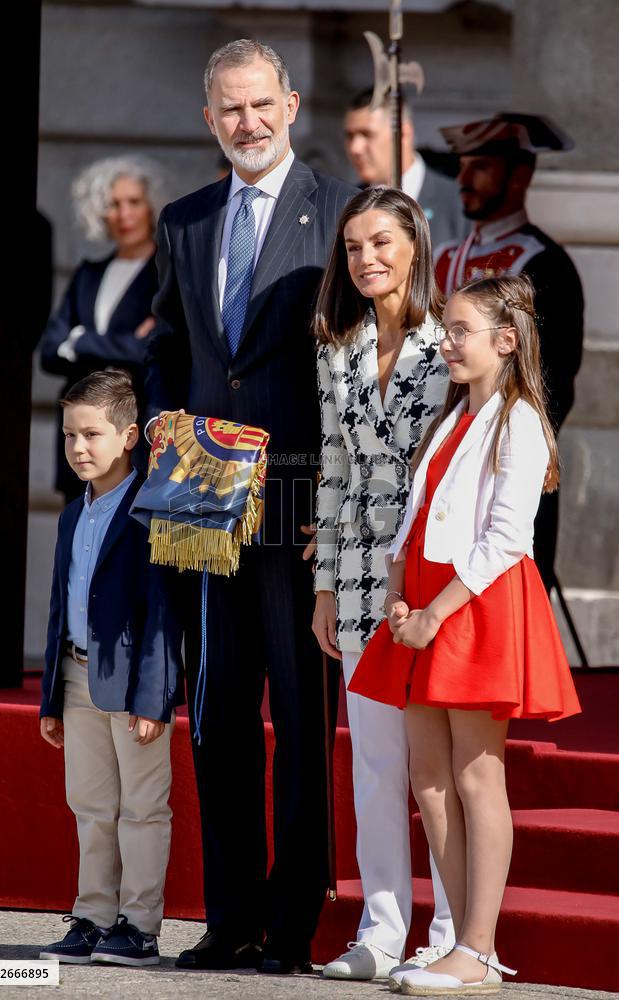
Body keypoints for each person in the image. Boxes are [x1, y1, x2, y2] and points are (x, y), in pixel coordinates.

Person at [143, 39, 357, 974]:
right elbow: (167, 345)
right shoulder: (184, 219)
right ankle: (227, 917)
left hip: (300, 502)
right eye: (230, 109)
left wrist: (347, 508)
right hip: (199, 497)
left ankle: (292, 924)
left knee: (302, 721)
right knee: (219, 713)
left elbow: (362, 366)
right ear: (209, 119)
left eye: (262, 104)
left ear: (292, 104)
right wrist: (156, 419)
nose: (248, 122)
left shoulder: (342, 214)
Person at [349, 274, 581, 995]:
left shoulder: (517, 420)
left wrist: (431, 613)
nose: (444, 343)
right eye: (444, 330)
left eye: (458, 332)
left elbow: (507, 538)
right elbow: (417, 517)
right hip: (420, 603)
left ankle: (478, 950)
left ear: (504, 342)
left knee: (476, 776)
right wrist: (394, 593)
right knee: (427, 779)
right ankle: (453, 939)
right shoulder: (451, 418)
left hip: (469, 605)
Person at [312, 186, 454, 983]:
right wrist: (326, 588)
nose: (366, 259)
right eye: (353, 246)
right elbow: (332, 470)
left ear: (413, 245)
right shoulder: (336, 347)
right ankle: (381, 932)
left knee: (434, 767)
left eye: (380, 243)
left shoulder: (451, 343)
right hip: (361, 584)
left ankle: (451, 934)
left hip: (428, 582)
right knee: (373, 765)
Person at [38, 370, 182, 968]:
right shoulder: (73, 515)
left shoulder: (153, 509)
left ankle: (140, 928)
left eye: (91, 435)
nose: (77, 448)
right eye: (70, 435)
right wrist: (50, 696)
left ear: (128, 436)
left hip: (130, 684)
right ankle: (93, 916)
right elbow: (58, 606)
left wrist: (154, 696)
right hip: (77, 677)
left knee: (142, 806)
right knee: (91, 804)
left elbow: (162, 614)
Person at [434, 112, 585, 591]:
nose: (463, 179)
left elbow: (553, 383)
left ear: (519, 176)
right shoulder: (443, 257)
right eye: (462, 166)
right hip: (439, 446)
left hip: (502, 454)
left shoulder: (546, 265)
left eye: (480, 167)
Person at [40, 155, 170, 502]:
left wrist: (80, 340)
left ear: (150, 206)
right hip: (77, 436)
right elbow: (50, 352)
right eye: (113, 204)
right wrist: (120, 344)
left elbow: (150, 350)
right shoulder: (88, 274)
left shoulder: (165, 275)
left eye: (134, 202)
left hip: (131, 432)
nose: (124, 214)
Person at [344, 89, 468, 251]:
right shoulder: (346, 203)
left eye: (367, 134)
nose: (355, 148)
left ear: (403, 133)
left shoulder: (459, 202)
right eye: (350, 136)